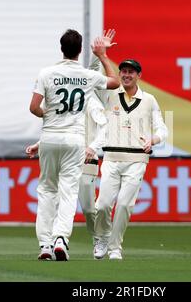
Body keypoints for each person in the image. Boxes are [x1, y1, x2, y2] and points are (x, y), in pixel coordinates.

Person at [29, 29, 120, 261]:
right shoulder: (86, 76)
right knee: (69, 190)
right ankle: (61, 239)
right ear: (80, 51)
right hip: (75, 140)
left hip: (50, 137)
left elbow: (34, 107)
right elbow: (114, 82)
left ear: (61, 48)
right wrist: (102, 55)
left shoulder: (46, 73)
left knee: (47, 190)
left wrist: (45, 115)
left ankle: (45, 245)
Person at [93, 59, 168, 260]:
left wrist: (154, 138)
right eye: (123, 71)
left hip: (137, 159)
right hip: (111, 157)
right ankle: (101, 237)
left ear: (139, 75)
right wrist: (100, 55)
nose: (126, 75)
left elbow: (163, 128)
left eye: (131, 72)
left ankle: (115, 247)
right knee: (102, 205)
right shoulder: (110, 94)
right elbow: (93, 78)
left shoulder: (149, 99)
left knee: (125, 205)